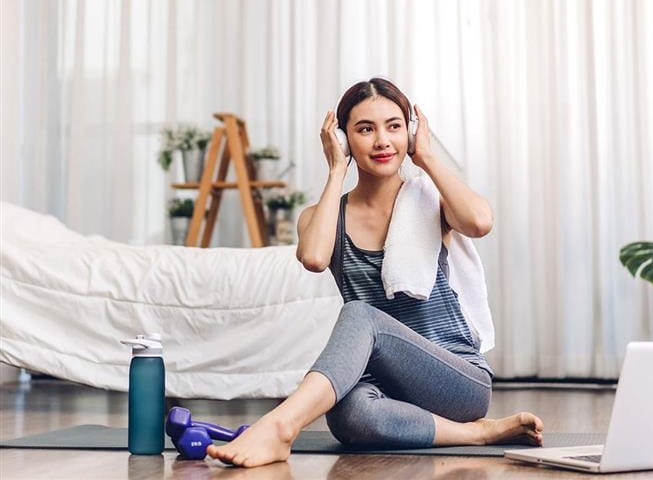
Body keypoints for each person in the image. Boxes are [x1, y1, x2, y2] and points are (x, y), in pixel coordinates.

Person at [207, 78, 544, 468]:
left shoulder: (431, 202)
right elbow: (314, 258)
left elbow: (480, 222)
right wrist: (336, 169)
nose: (382, 140)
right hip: (385, 387)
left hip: (457, 382)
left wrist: (426, 157)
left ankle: (280, 426)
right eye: (365, 129)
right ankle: (478, 433)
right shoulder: (323, 216)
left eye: (394, 126)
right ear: (344, 139)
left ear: (409, 134)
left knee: (360, 314)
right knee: (348, 415)